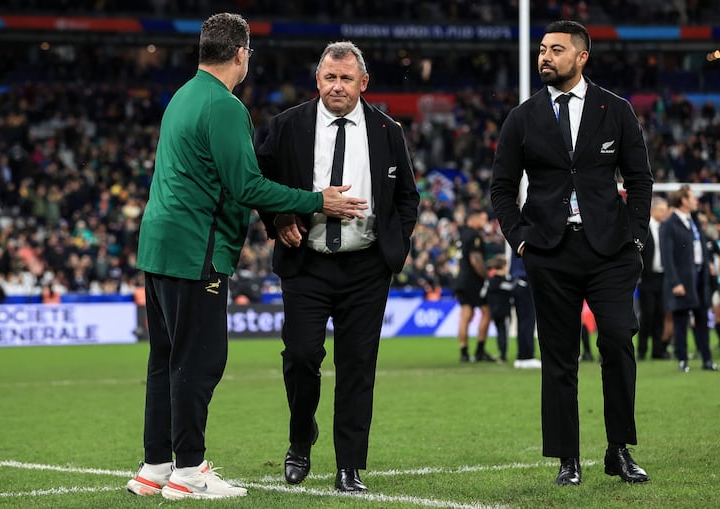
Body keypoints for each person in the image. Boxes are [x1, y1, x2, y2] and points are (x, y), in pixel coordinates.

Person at [128, 14, 367, 501]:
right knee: (200, 361)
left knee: (165, 361)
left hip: (159, 246)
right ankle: (189, 472)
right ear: (241, 54)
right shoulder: (224, 105)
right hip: (197, 249)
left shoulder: (183, 95)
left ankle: (155, 466)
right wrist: (317, 200)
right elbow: (245, 185)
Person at [490, 20, 653, 486]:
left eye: (555, 50)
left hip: (611, 252)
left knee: (618, 342)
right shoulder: (522, 117)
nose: (544, 56)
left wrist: (636, 237)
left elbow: (640, 179)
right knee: (560, 357)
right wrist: (519, 238)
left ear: (581, 57)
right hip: (549, 251)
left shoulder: (615, 109)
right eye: (542, 49)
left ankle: (618, 449)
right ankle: (568, 458)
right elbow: (501, 187)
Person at [255, 41, 419, 493]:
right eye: (330, 77)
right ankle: (300, 437)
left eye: (347, 79)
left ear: (363, 83)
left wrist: (394, 249)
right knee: (302, 357)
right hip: (307, 264)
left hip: (366, 268)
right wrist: (277, 219)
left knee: (357, 366)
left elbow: (408, 197)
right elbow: (256, 181)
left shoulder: (387, 131)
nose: (337, 86)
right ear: (318, 80)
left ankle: (349, 466)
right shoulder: (287, 126)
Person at [659, 185, 720, 373]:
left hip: (700, 277)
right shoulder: (668, 225)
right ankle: (683, 360)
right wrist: (675, 282)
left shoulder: (694, 221)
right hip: (683, 280)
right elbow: (667, 257)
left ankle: (707, 360)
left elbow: (701, 245)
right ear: (684, 200)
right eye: (693, 197)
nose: (696, 201)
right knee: (680, 320)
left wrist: (709, 262)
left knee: (702, 319)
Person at [454, 209, 494, 362]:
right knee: (486, 312)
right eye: (483, 219)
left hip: (462, 280)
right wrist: (486, 275)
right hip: (474, 281)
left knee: (466, 315)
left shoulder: (463, 234)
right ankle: (480, 350)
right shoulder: (474, 236)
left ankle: (464, 352)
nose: (486, 222)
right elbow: (475, 260)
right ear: (474, 219)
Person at [637, 196, 670, 360]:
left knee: (660, 314)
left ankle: (658, 351)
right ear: (653, 210)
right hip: (648, 279)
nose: (665, 213)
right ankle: (642, 350)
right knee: (647, 315)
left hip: (662, 277)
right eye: (662, 210)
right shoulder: (646, 229)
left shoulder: (665, 229)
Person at [482, 254, 514, 362]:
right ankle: (503, 355)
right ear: (504, 266)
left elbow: (482, 294)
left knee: (499, 332)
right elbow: (512, 290)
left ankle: (501, 353)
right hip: (504, 311)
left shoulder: (489, 281)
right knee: (503, 333)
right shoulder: (505, 282)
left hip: (494, 311)